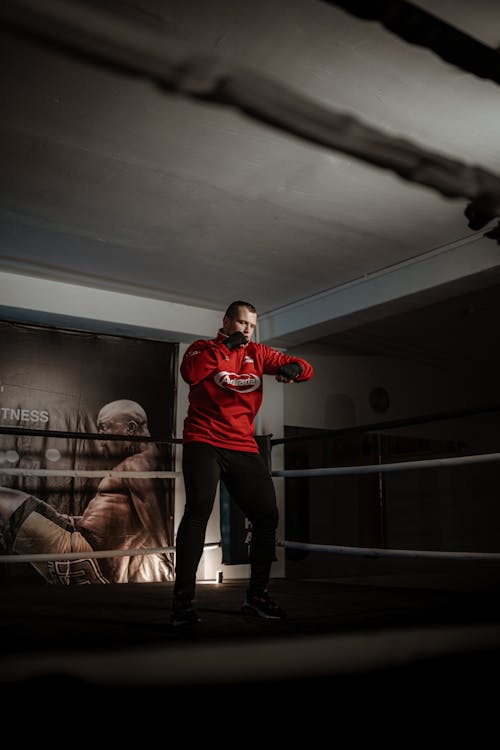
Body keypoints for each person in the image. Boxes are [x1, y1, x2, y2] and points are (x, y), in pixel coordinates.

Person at [171, 300, 313, 625]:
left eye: (251, 325)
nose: (247, 330)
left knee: (266, 515)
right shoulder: (202, 348)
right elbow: (190, 373)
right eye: (242, 323)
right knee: (198, 509)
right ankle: (182, 601)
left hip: (241, 444)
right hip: (203, 440)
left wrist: (296, 369)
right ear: (226, 321)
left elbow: (304, 366)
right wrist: (224, 346)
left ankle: (257, 597)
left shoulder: (259, 354)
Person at [0, 399, 174, 584]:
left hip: (79, 550)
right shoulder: (145, 460)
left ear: (130, 429)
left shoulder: (139, 464)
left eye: (105, 428)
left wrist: (166, 560)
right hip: (78, 535)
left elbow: (155, 518)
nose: (100, 438)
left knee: (4, 500)